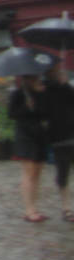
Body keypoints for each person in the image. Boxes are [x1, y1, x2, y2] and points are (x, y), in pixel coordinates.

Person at [10, 74, 50, 222]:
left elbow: (45, 113)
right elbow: (12, 114)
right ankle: (29, 210)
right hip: (25, 137)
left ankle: (35, 208)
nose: (37, 81)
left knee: (38, 172)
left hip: (39, 135)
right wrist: (26, 107)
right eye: (33, 79)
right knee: (29, 172)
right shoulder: (18, 93)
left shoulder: (40, 93)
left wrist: (41, 97)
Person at [43, 66, 74, 222]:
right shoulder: (45, 90)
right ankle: (67, 208)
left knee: (63, 174)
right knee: (63, 174)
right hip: (60, 138)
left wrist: (65, 84)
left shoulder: (65, 88)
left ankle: (67, 208)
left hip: (64, 136)